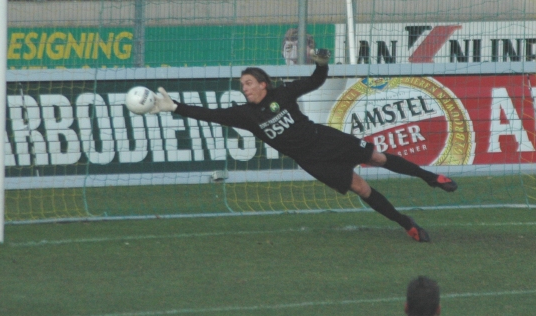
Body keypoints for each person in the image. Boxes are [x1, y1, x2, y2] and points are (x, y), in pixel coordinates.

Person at [150, 48, 457, 242]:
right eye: (241, 85)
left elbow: (314, 81)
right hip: (312, 160)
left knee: (377, 157)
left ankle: (432, 178)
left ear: (262, 84)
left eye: (247, 83)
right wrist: (175, 106)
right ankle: (407, 225)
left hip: (325, 139)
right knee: (361, 189)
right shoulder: (245, 115)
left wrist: (322, 65)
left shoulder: (283, 94)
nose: (243, 89)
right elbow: (211, 114)